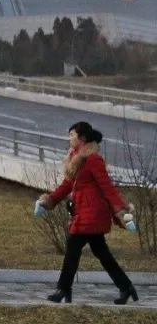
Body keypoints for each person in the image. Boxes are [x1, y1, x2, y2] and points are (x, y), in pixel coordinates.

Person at [36, 121, 138, 305]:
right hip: (83, 213)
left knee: (72, 250)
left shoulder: (93, 160)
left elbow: (107, 188)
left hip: (92, 214)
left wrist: (122, 211)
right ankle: (126, 287)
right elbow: (67, 185)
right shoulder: (75, 159)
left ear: (82, 138)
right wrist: (49, 201)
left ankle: (63, 289)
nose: (69, 139)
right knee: (102, 254)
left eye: (72, 135)